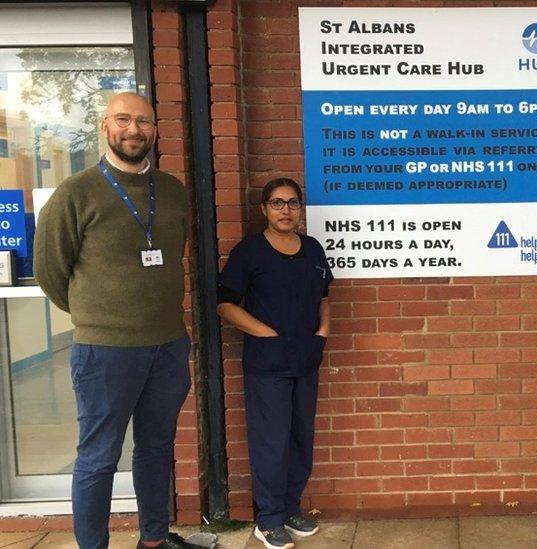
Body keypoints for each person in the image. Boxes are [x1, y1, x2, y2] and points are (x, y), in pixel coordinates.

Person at [34, 92, 198, 548]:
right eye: (123, 120)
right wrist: (99, 316)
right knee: (98, 457)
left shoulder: (171, 190)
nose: (134, 130)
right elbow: (51, 272)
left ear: (155, 130)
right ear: (105, 127)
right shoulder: (76, 192)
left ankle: (153, 539)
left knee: (156, 449)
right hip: (104, 351)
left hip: (167, 344)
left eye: (143, 121)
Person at [217, 178, 333, 549]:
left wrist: (323, 331)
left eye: (293, 203)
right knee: (272, 442)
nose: (286, 210)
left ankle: (291, 508)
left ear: (301, 208)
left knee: (301, 438)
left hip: (305, 359)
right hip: (268, 364)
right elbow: (225, 305)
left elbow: (324, 295)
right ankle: (268, 519)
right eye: (277, 203)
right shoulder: (250, 252)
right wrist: (266, 334)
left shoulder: (313, 249)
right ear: (264, 209)